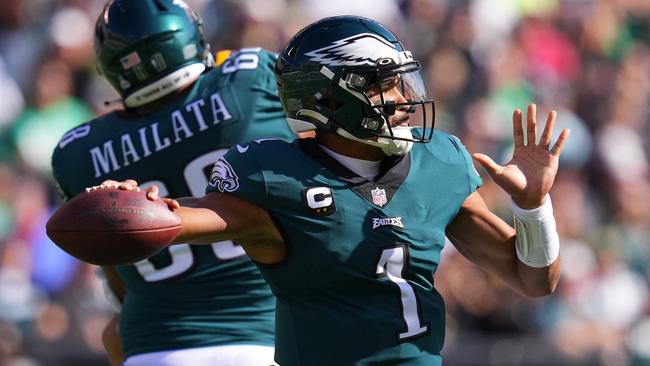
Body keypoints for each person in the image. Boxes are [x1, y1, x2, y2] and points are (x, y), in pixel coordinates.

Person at [91, 15, 570, 365]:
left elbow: (533, 280)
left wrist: (532, 207)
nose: (407, 100)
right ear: (328, 98)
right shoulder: (275, 175)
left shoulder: (439, 161)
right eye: (387, 86)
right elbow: (187, 217)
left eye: (405, 82)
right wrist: (131, 206)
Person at [50, 0, 297, 365]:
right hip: (271, 338)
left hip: (155, 347)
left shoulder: (79, 152)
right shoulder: (249, 80)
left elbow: (118, 274)